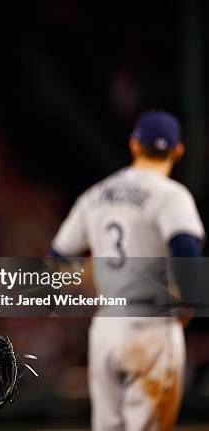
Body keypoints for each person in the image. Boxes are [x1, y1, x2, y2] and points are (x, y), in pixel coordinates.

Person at [49, 111, 204, 430]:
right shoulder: (172, 196)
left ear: (134, 145)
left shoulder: (95, 195)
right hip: (153, 324)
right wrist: (189, 301)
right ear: (177, 151)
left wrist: (97, 283)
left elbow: (57, 260)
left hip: (106, 327)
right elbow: (187, 252)